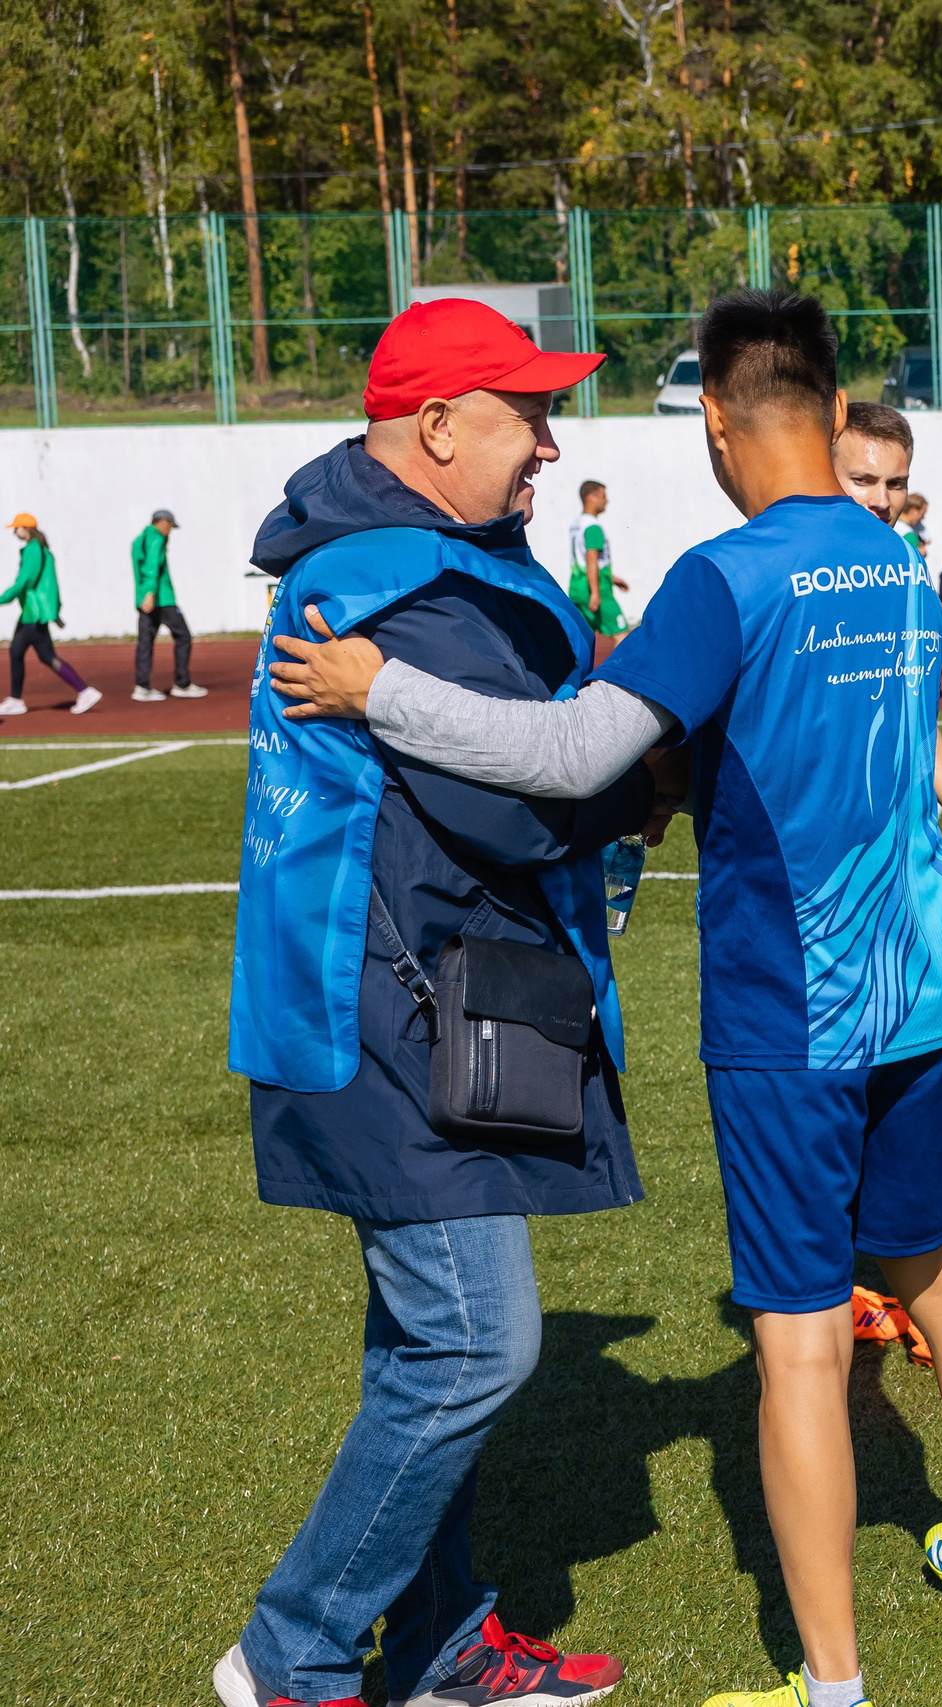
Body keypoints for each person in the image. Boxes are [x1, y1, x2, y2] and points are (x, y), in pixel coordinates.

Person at [265, 289, 942, 1707]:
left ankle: (828, 1681)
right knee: (938, 1268)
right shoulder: (895, 561)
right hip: (925, 1002)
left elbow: (576, 750)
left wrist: (381, 683)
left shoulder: (724, 574)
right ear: (834, 413)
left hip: (792, 1017)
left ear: (712, 414)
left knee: (803, 1341)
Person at [212, 296, 638, 1707]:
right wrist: (644, 772)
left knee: (425, 1343)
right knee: (473, 1339)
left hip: (379, 997)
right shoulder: (421, 585)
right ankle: (296, 1654)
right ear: (439, 425)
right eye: (527, 416)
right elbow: (521, 811)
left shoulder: (389, 559)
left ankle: (445, 1633)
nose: (549, 443)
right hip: (393, 1012)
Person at [2, 515, 101, 717]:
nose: (14, 532)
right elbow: (49, 584)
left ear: (26, 528)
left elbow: (24, 582)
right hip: (34, 613)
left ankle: (84, 691)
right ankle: (15, 699)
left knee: (44, 656)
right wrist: (55, 612)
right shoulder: (41, 550)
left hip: (33, 614)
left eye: (17, 528)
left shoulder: (33, 550)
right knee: (18, 653)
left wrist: (2, 598)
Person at [132, 507, 207, 700]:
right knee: (183, 637)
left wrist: (144, 595)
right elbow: (151, 566)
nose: (170, 531)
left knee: (145, 642)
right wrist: (151, 593)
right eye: (170, 526)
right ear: (163, 522)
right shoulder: (156, 538)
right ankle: (181, 684)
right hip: (162, 599)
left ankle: (142, 687)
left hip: (144, 599)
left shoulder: (138, 540)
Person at [566, 481, 631, 652]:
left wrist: (613, 578)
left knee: (581, 640)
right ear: (591, 497)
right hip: (597, 591)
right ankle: (616, 677)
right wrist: (595, 591)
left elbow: (584, 559)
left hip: (577, 588)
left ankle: (575, 677)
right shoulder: (593, 527)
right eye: (603, 496)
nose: (607, 501)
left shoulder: (577, 523)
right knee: (623, 637)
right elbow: (591, 559)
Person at [830, 400, 912, 523]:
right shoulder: (794, 539)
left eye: (895, 484)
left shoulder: (903, 542)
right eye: (862, 480)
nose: (882, 503)